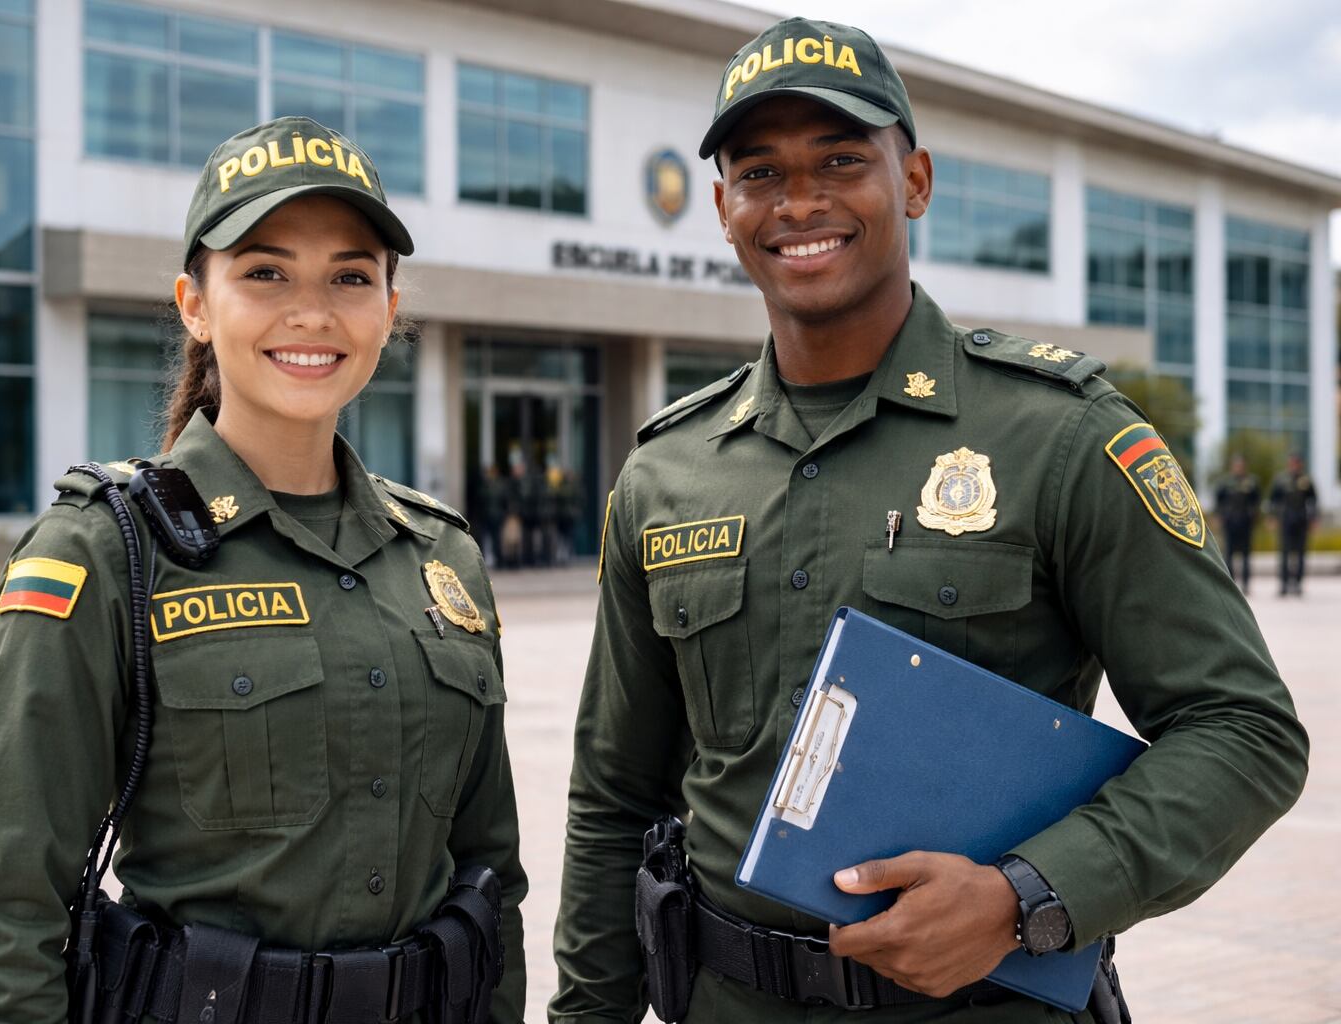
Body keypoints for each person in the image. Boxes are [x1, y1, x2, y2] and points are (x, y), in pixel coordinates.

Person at [551, 17, 1307, 1024]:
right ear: (724, 208)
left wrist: (1026, 896)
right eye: (761, 171)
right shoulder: (667, 472)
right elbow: (613, 800)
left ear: (915, 183)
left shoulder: (1060, 436)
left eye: (841, 160)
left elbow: (1243, 729)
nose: (801, 201)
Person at [0, 117, 526, 1023]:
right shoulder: (104, 550)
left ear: (390, 311)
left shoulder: (442, 557)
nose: (313, 312)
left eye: (351, 277)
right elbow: (0, 916)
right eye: (265, 272)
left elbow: (490, 880)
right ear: (194, 304)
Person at [1268, 452, 1319, 596]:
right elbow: (1273, 499)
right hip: (1285, 520)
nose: (1294, 466)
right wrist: (1272, 516)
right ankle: (1283, 584)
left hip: (1301, 521)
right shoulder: (1281, 480)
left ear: (1300, 464)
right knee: (1284, 552)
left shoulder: (1306, 480)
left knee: (1301, 553)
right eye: (1292, 463)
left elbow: (1313, 500)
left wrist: (1313, 518)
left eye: (1296, 463)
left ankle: (1298, 583)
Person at [1214, 454, 1262, 593]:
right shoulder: (1225, 482)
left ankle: (1246, 584)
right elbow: (1218, 501)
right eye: (1236, 465)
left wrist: (1254, 515)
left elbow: (1256, 501)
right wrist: (1219, 517)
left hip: (1245, 523)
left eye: (1241, 466)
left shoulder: (1251, 482)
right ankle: (1231, 584)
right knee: (1228, 554)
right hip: (1229, 522)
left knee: (1246, 555)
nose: (1238, 468)